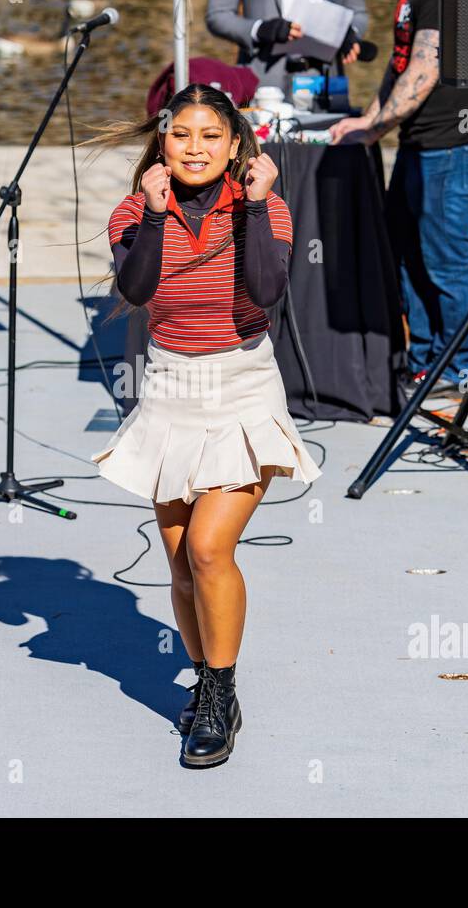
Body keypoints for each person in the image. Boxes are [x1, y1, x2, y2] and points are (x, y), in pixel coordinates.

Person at [85, 84, 323, 768]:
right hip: (168, 391)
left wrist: (251, 204)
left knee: (212, 547)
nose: (195, 147)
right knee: (180, 556)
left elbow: (268, 291)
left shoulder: (266, 208)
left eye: (210, 135)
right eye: (181, 134)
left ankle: (219, 694)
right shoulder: (134, 210)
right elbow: (136, 290)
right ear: (162, 143)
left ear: (236, 144)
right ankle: (205, 675)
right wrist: (158, 217)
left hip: (242, 387)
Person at [329, 0, 468, 398]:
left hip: (453, 145)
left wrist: (375, 127)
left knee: (444, 259)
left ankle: (454, 371)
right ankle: (424, 365)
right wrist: (369, 119)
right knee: (406, 253)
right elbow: (400, 64)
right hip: (418, 143)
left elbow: (426, 68)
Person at [206, 0, 369, 96]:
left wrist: (348, 32)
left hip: (326, 84)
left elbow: (358, 14)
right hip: (263, 84)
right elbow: (218, 15)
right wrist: (259, 29)